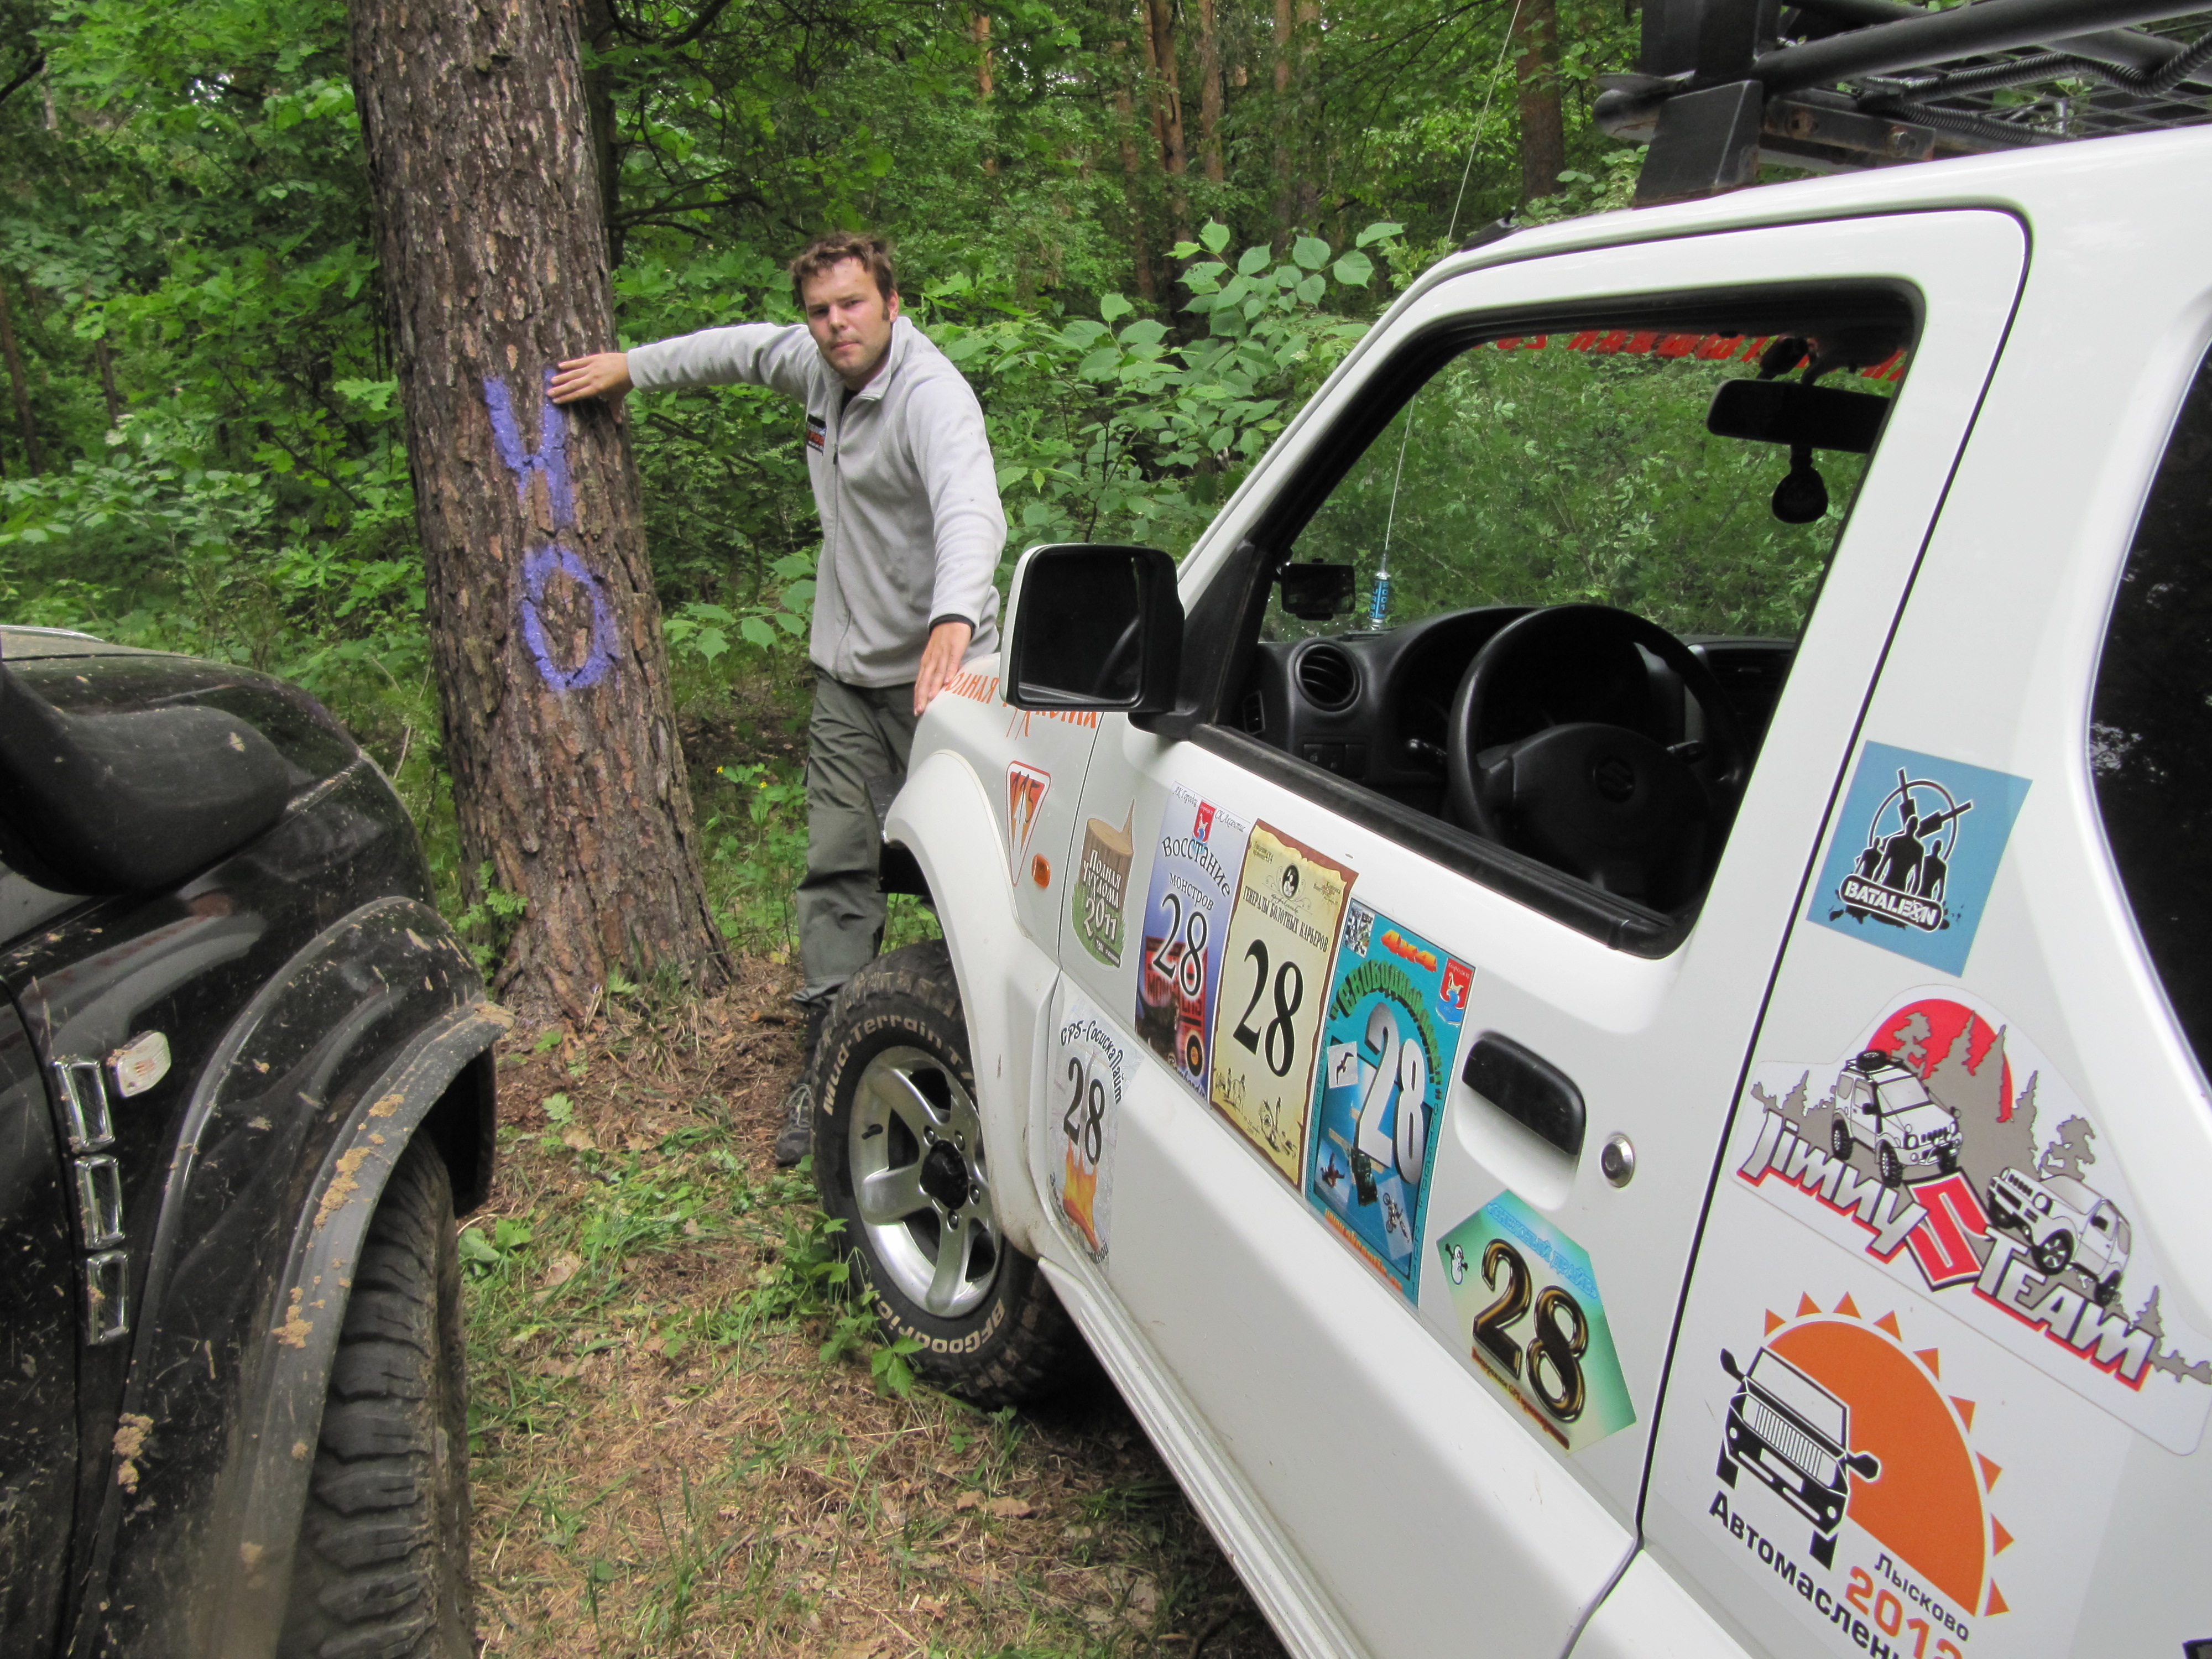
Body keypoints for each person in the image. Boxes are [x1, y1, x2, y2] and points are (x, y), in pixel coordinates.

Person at [551, 231, 1006, 1165]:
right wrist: (629, 368)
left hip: (947, 681)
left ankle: (988, 1061)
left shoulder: (932, 396)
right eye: (820, 310)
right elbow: (735, 350)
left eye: (853, 304)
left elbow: (972, 508)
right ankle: (832, 1061)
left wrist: (954, 619)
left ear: (891, 302)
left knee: (974, 876)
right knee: (838, 867)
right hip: (848, 680)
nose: (836, 325)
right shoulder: (814, 368)